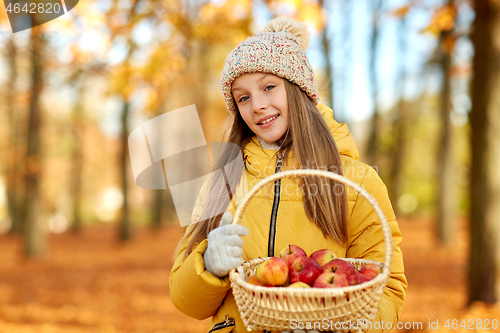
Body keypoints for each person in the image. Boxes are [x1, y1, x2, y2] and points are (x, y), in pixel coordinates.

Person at [169, 17, 407, 333]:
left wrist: (348, 326)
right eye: (243, 97)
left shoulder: (356, 182)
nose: (257, 106)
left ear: (298, 90)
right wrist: (209, 266)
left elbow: (387, 287)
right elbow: (185, 300)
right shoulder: (222, 183)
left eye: (269, 87)